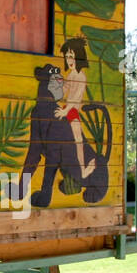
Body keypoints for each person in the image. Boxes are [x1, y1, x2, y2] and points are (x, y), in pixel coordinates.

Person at [57, 37, 94, 179]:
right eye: (67, 57)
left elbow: (75, 98)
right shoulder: (72, 74)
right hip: (68, 109)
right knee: (76, 141)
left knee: (79, 142)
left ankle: (83, 171)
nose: (69, 60)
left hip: (71, 111)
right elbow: (65, 90)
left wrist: (65, 111)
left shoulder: (80, 76)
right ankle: (81, 170)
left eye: (71, 56)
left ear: (79, 57)